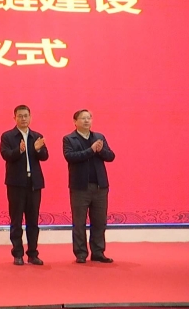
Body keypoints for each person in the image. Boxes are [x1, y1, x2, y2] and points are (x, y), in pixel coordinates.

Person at [63, 109, 116, 264]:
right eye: (83, 118)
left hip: (100, 187)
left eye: (89, 118)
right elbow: (70, 157)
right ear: (75, 121)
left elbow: (111, 156)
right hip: (80, 188)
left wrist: (101, 150)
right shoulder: (69, 139)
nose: (87, 121)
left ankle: (98, 252)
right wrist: (91, 150)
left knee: (99, 222)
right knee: (79, 222)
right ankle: (80, 253)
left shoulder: (99, 137)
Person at [0, 105, 48, 266]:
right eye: (20, 116)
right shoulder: (8, 136)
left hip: (34, 183)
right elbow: (6, 155)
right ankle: (18, 254)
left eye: (26, 115)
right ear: (14, 118)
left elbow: (45, 156)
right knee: (16, 220)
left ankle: (33, 254)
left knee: (33, 221)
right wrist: (19, 151)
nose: (23, 118)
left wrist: (37, 150)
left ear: (30, 117)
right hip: (16, 184)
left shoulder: (37, 136)